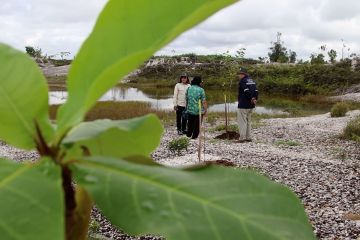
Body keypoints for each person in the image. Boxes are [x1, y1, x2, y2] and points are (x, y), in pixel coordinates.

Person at [236, 67, 258, 143]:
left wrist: (251, 98)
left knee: (242, 121)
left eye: (240, 74)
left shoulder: (243, 81)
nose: (238, 75)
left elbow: (246, 91)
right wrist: (255, 99)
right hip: (251, 105)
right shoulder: (252, 81)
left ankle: (242, 138)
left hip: (243, 104)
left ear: (243, 74)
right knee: (248, 121)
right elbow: (256, 91)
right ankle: (248, 137)